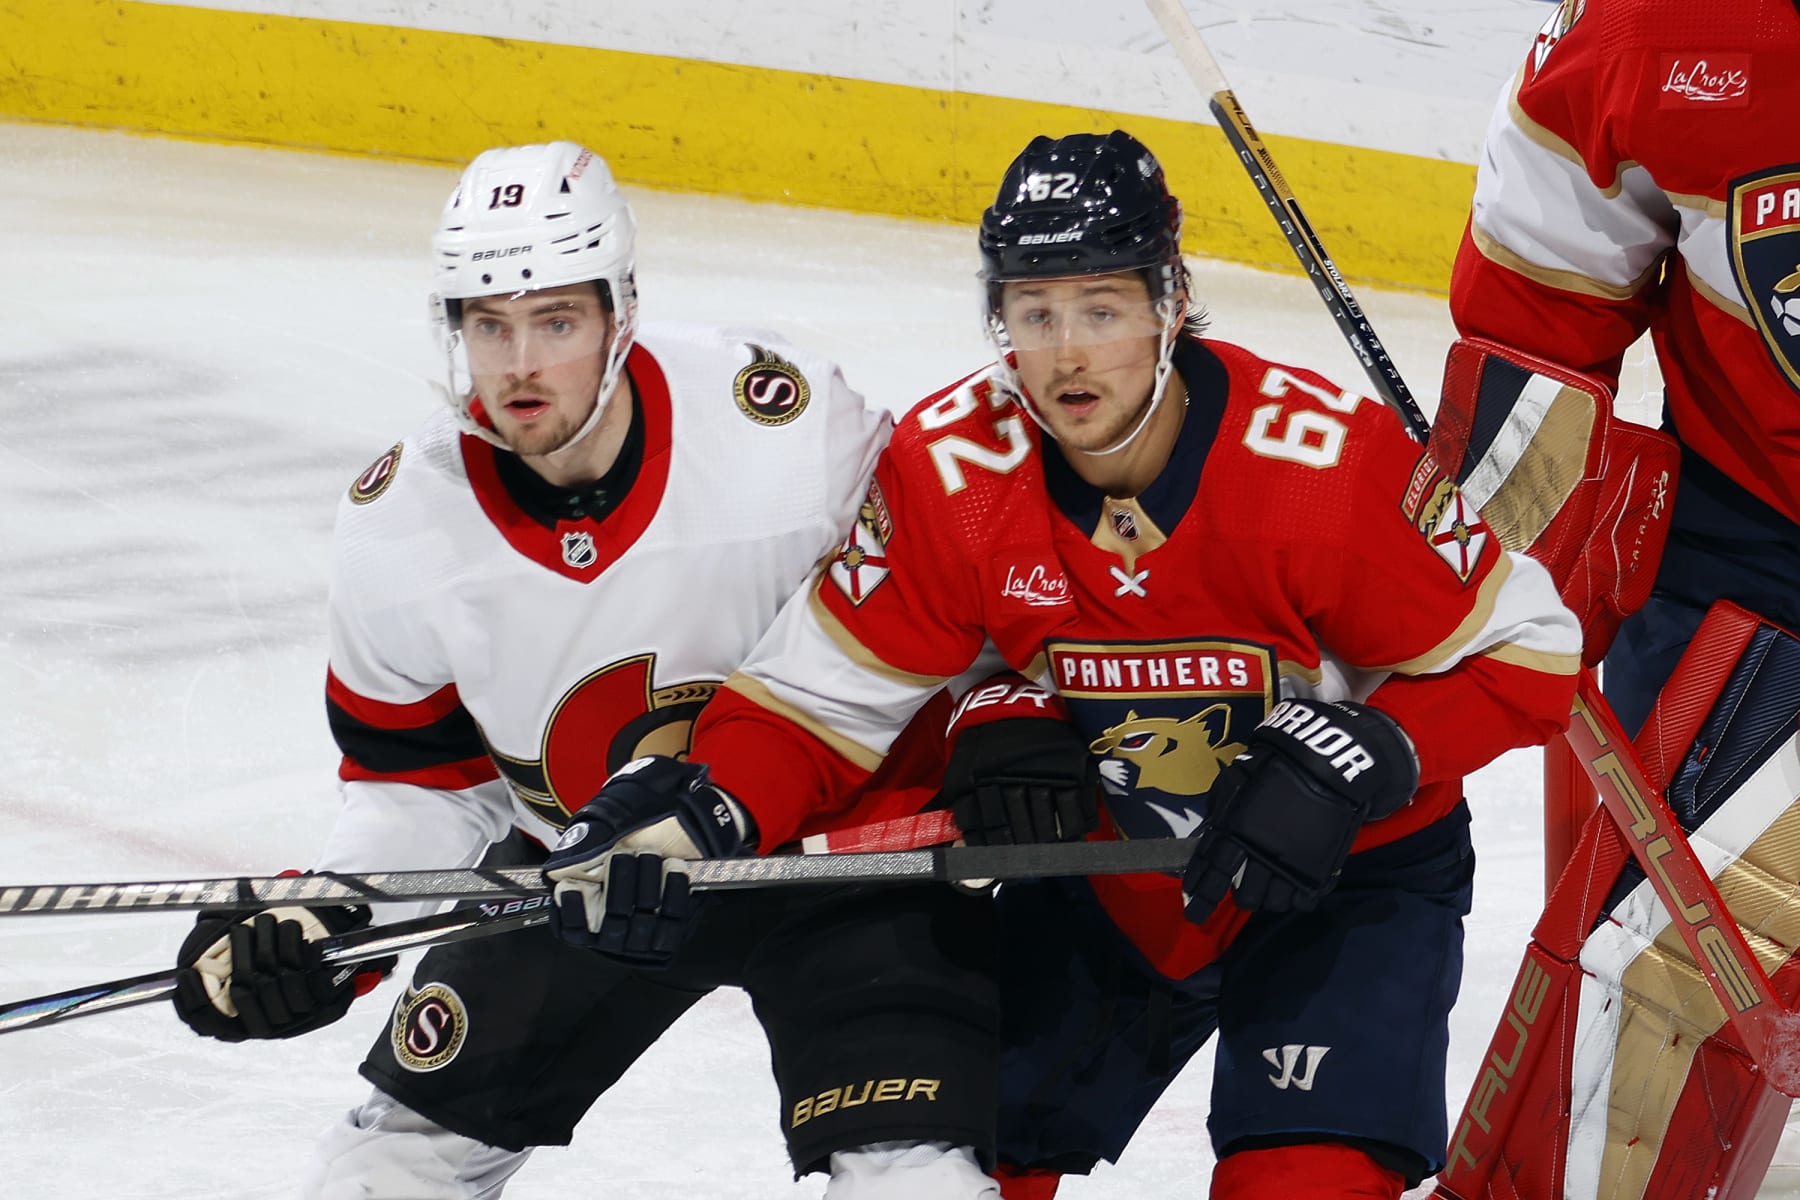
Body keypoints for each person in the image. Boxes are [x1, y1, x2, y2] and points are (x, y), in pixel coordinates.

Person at [542, 129, 1585, 1200]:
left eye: (1102, 310)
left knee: (1300, 1183)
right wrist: (700, 817)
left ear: (1170, 302)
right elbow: (821, 703)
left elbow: (1535, 652)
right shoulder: (955, 476)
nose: (1069, 354)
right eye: (1033, 315)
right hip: (1104, 873)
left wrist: (1370, 751)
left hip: (1341, 880)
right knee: (965, 1169)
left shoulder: (1321, 467)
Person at [167, 140, 1002, 1199]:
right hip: (586, 878)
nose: (519, 365)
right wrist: (324, 922)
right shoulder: (402, 524)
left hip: (842, 867)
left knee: (911, 1184)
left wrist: (1007, 721)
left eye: (555, 322)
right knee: (381, 1173)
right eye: (489, 325)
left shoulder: (779, 431)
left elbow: (945, 609)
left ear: (620, 312)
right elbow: (420, 789)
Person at [1449, 0, 1800, 736]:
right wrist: (1521, 554)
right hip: (1749, 555)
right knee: (1705, 856)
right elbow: (1538, 304)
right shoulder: (1655, 25)